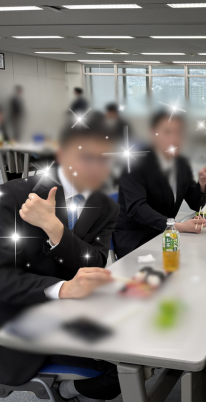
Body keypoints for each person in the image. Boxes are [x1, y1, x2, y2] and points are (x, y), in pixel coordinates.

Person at [0, 113, 121, 401]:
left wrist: (54, 229)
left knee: (146, 347)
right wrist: (61, 289)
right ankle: (66, 391)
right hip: (21, 323)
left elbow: (94, 262)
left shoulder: (105, 206)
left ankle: (67, 390)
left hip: (77, 312)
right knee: (119, 370)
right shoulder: (13, 196)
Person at [113, 110, 206, 258]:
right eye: (167, 132)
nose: (174, 138)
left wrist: (202, 182)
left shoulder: (181, 163)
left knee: (204, 254)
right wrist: (177, 226)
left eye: (178, 132)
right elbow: (137, 208)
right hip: (137, 239)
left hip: (165, 234)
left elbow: (195, 204)